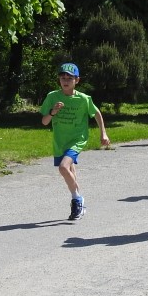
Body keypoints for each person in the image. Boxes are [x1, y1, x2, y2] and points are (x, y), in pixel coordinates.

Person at [39, 62, 110, 221]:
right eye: (62, 78)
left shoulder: (83, 99)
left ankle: (77, 199)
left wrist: (103, 134)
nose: (65, 81)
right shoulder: (52, 97)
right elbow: (44, 122)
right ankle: (77, 201)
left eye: (69, 78)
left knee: (63, 167)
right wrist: (53, 112)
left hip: (77, 139)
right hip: (60, 141)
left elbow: (96, 113)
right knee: (70, 170)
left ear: (77, 80)